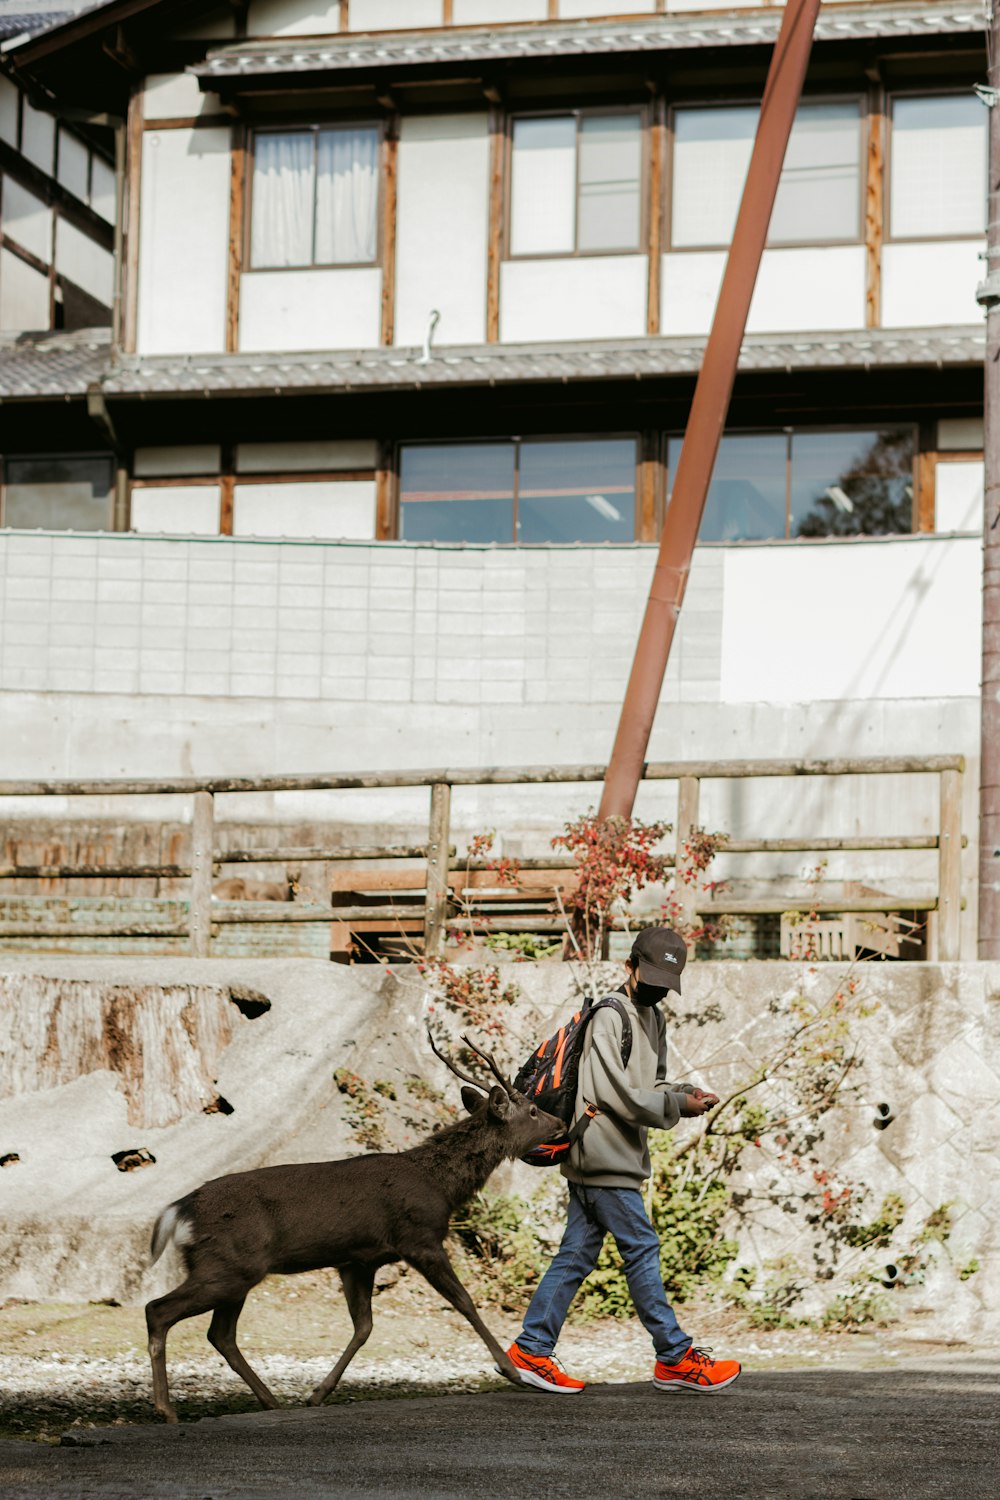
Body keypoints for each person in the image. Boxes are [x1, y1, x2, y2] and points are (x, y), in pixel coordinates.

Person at [504, 926, 741, 1395]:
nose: (655, 988)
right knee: (642, 1250)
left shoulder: (653, 1016)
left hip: (614, 1155)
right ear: (629, 966)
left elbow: (648, 1087)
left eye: (664, 983)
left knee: (574, 1256)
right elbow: (611, 1092)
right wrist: (675, 1107)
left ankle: (530, 1350)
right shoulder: (610, 1016)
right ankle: (674, 1356)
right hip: (601, 1154)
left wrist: (681, 1093)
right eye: (648, 975)